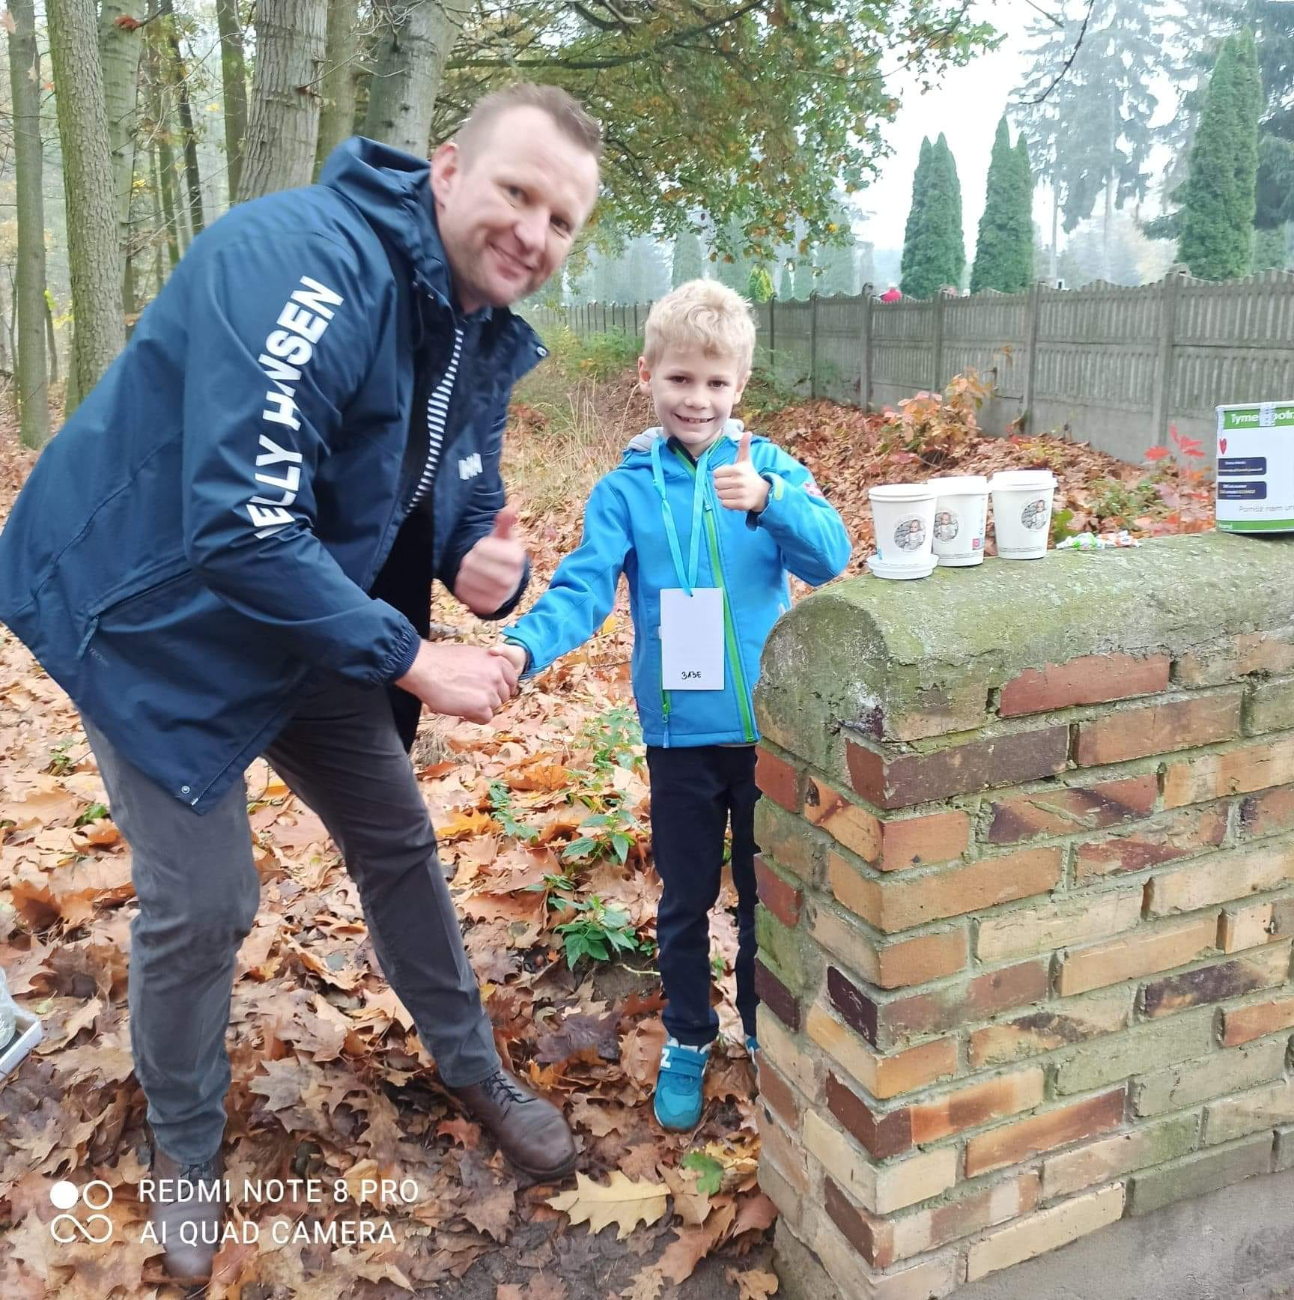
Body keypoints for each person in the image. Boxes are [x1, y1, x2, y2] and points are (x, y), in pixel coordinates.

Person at [0, 84, 601, 1285]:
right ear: (445, 172)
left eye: (563, 219)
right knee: (209, 898)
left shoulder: (468, 321)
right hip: (152, 620)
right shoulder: (303, 262)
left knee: (397, 836)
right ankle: (183, 1150)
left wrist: (488, 564)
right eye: (516, 191)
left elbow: (448, 484)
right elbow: (238, 521)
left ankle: (471, 1065)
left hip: (302, 613)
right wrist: (414, 658)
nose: (534, 232)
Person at [493, 281, 851, 1131]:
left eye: (716, 384)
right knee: (686, 899)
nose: (698, 400)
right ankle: (690, 1035)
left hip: (768, 737)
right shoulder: (624, 491)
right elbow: (583, 587)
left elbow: (831, 557)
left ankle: (765, 1031)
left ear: (741, 388)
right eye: (681, 380)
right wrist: (520, 648)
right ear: (648, 376)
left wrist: (771, 503)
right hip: (679, 740)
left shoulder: (767, 471)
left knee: (768, 896)